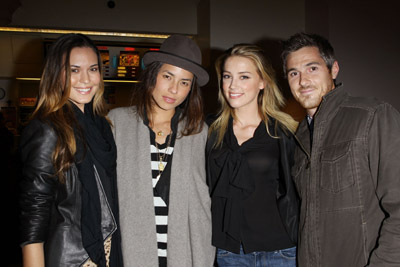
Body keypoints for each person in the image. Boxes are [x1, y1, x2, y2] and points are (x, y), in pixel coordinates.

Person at [281, 32, 400, 266]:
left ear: (333, 69)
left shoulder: (372, 115)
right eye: (293, 73)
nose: (303, 81)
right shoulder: (299, 137)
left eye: (312, 68)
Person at [108, 34, 215, 267]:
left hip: (184, 254)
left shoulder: (199, 132)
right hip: (130, 252)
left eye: (185, 82)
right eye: (168, 76)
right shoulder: (118, 123)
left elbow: (205, 202)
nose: (174, 89)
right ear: (152, 74)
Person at [19, 33, 123, 267]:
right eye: (74, 70)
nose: (85, 79)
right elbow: (34, 210)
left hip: (106, 250)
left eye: (93, 69)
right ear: (57, 74)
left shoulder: (101, 126)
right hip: (72, 258)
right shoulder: (48, 128)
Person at [206, 44, 299, 266]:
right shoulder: (208, 131)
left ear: (262, 82)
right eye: (227, 76)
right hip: (230, 251)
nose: (233, 85)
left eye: (244, 77)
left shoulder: (285, 131)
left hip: (281, 250)